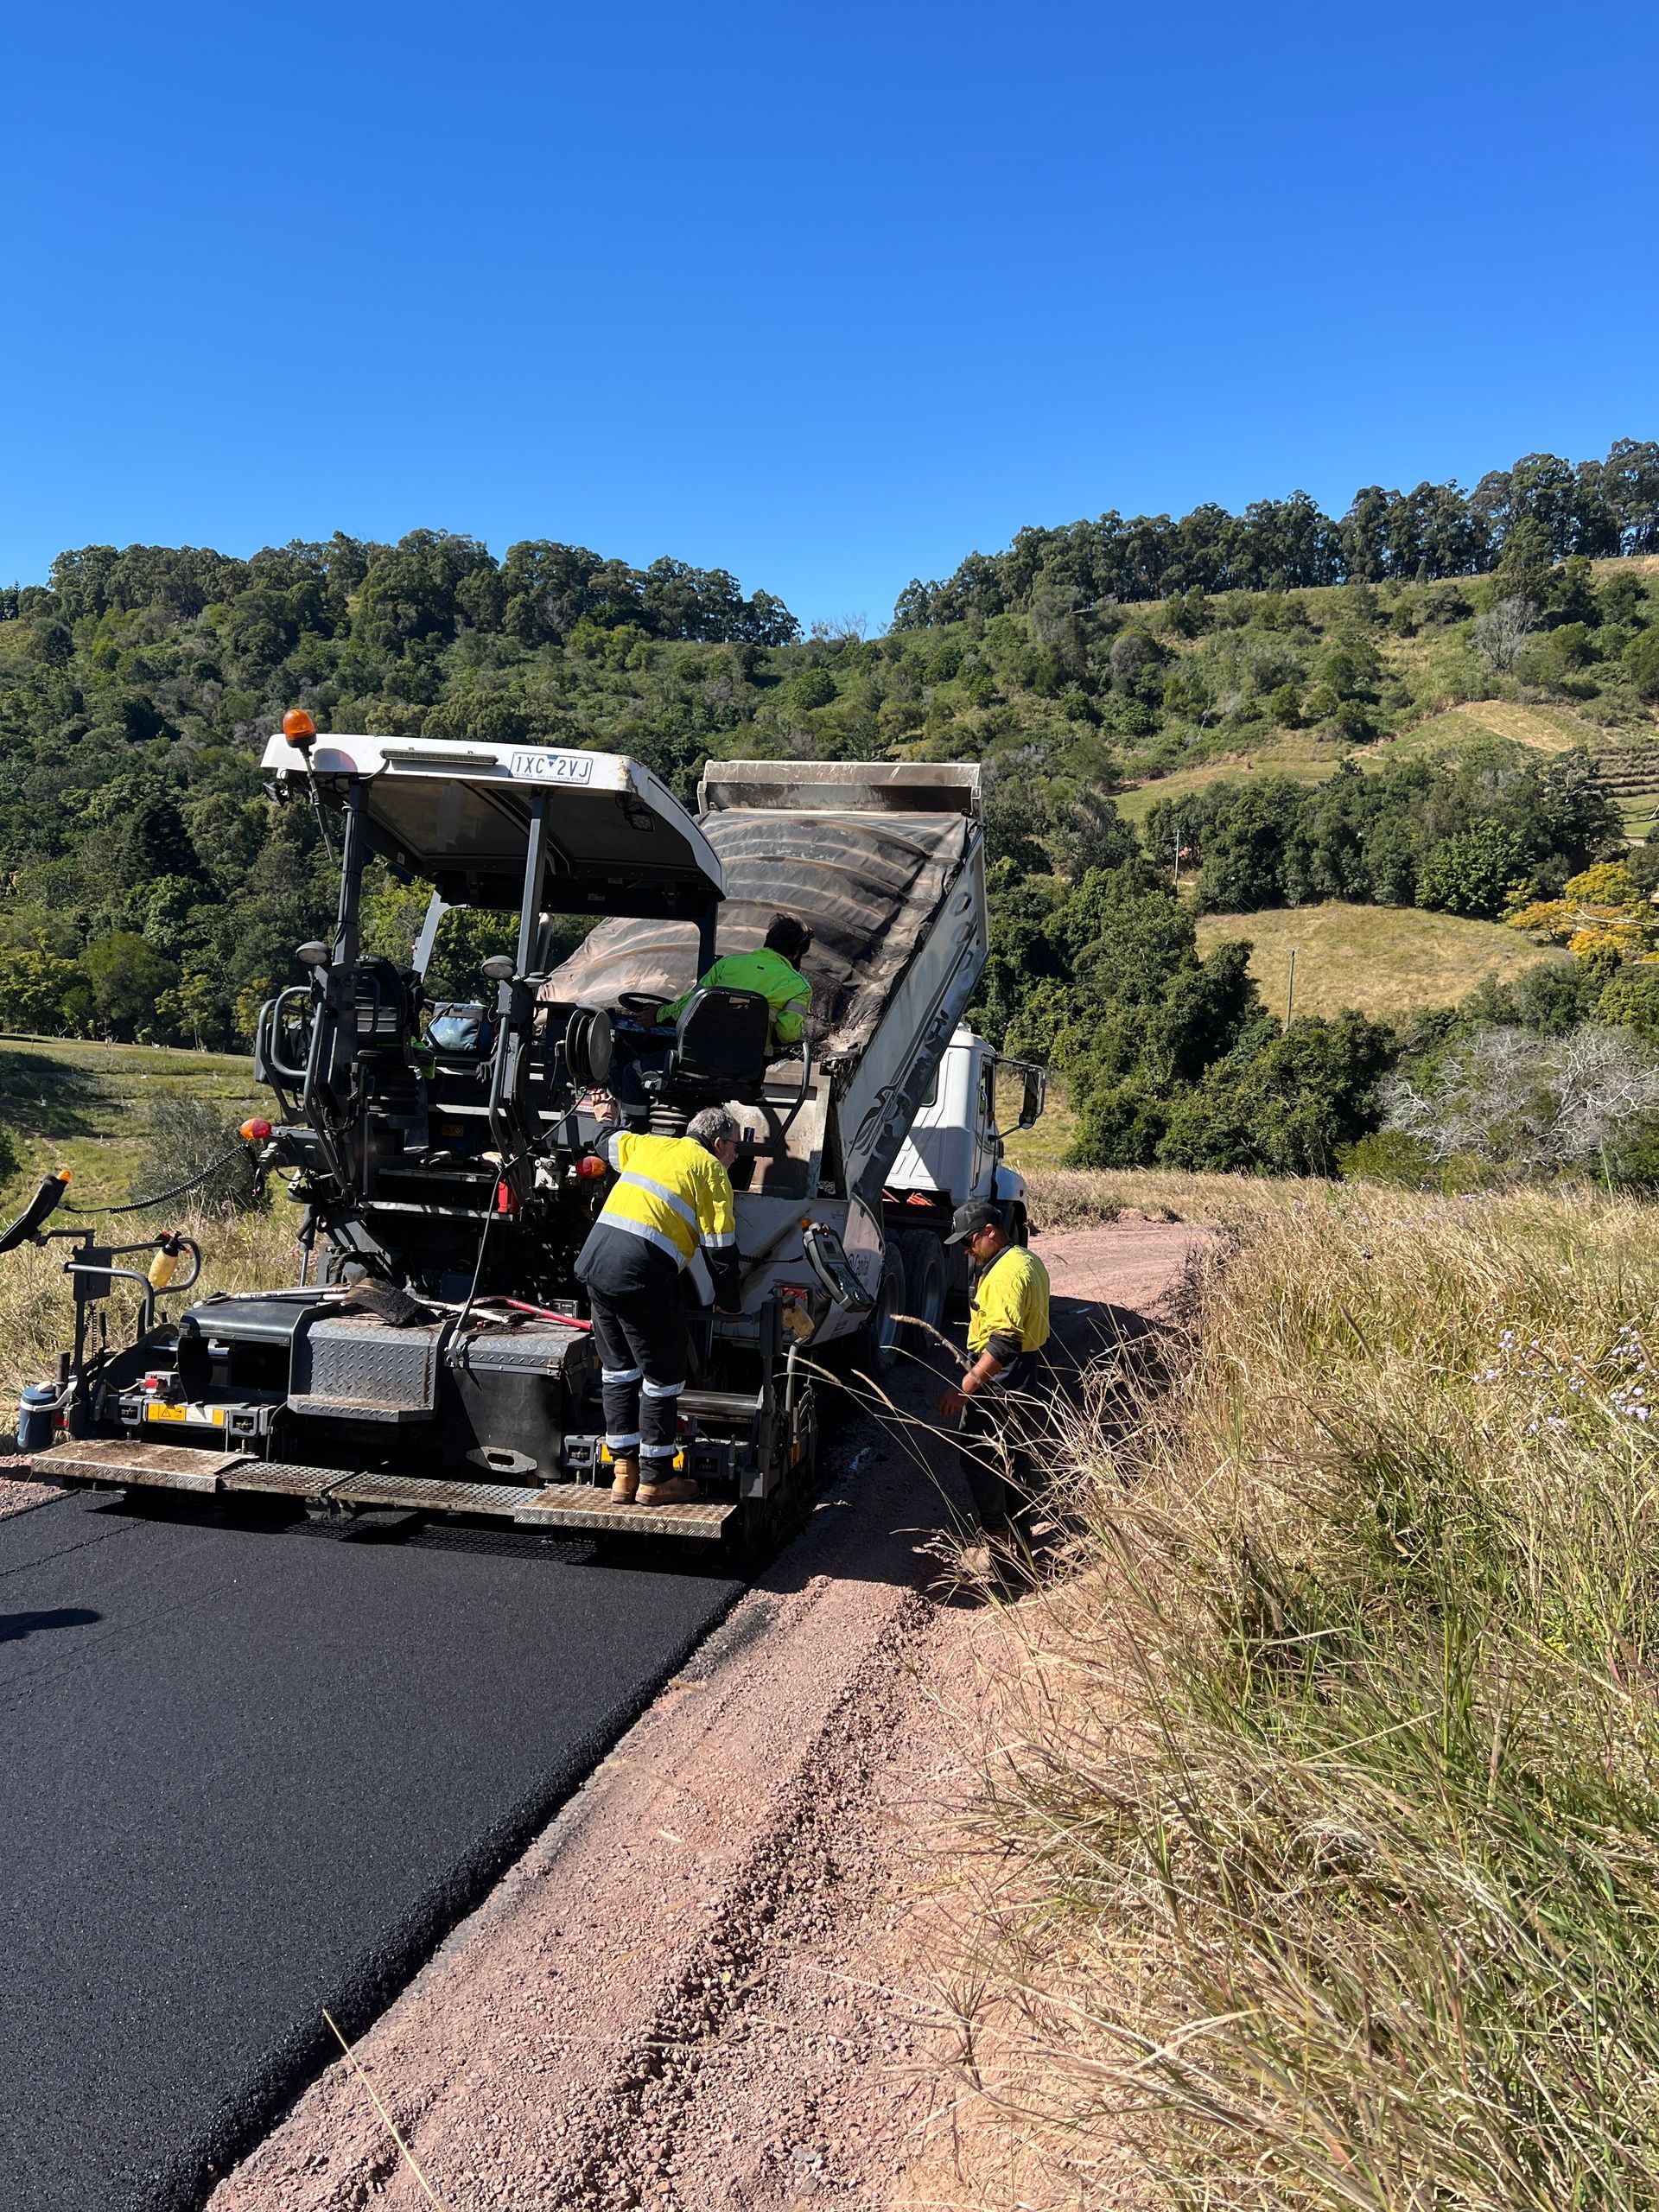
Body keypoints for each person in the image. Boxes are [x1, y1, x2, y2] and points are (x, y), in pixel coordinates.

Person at [576, 1101, 744, 1507]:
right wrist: (729, 1304)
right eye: (736, 1146)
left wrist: (605, 1118)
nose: (737, 1155)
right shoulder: (711, 1170)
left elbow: (604, 1142)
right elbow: (721, 1250)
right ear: (718, 1143)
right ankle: (656, 1479)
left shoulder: (650, 1145)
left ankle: (624, 1475)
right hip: (642, 1274)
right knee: (662, 1377)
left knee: (619, 1372)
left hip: (596, 1265)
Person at [935, 1199, 1052, 1533]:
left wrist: (964, 1389)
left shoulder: (1004, 1276)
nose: (966, 1251)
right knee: (1014, 1453)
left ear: (990, 1232)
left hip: (1002, 1376)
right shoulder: (1026, 1260)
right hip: (1028, 1369)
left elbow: (1004, 1344)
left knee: (978, 1454)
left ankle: (997, 1534)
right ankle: (1021, 1533)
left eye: (968, 1241)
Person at [656, 913, 813, 1052]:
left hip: (699, 1053)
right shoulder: (799, 986)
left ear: (769, 940)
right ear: (796, 953)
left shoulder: (726, 964)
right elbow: (787, 1034)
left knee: (644, 1067)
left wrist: (658, 1014)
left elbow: (689, 1004)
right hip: (748, 1066)